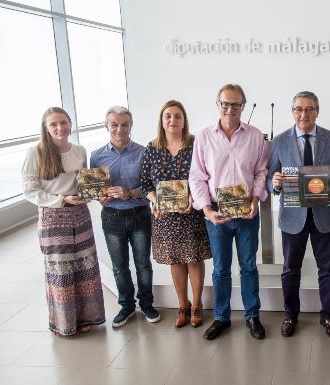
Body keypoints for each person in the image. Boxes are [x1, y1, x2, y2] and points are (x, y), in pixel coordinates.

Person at [189, 84, 269, 340]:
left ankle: (252, 315)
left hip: (247, 213)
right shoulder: (203, 136)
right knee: (221, 269)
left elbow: (261, 172)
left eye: (236, 104)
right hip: (217, 214)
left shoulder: (256, 136)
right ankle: (221, 317)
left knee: (248, 267)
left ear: (243, 106)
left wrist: (256, 199)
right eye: (225, 103)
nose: (230, 109)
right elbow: (197, 177)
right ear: (217, 104)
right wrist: (207, 210)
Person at [21, 107, 106, 336]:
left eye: (63, 122)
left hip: (80, 215)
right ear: (46, 128)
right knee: (60, 271)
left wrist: (94, 193)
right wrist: (61, 200)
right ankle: (63, 323)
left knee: (85, 268)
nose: (60, 128)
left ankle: (85, 317)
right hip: (53, 218)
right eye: (54, 124)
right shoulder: (35, 153)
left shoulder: (79, 150)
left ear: (70, 123)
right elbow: (30, 191)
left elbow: (84, 184)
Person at [267, 91, 330, 339]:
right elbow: (270, 179)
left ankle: (328, 316)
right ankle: (290, 315)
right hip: (293, 218)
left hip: (325, 216)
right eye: (299, 109)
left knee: (328, 269)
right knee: (291, 269)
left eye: (309, 109)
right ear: (293, 112)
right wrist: (275, 183)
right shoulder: (279, 141)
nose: (304, 114)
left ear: (317, 111)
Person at [139, 100, 211, 328]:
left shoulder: (195, 144)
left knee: (194, 259)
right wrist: (156, 201)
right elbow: (144, 185)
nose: (173, 120)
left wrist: (194, 198)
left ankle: (197, 304)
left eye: (177, 116)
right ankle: (183, 305)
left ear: (184, 120)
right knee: (175, 261)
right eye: (168, 116)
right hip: (164, 217)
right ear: (162, 120)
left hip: (191, 213)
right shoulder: (151, 148)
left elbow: (206, 177)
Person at [90, 106, 160, 328]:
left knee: (143, 264)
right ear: (106, 126)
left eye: (124, 124)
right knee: (119, 266)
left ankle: (147, 304)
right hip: (112, 217)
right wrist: (100, 197)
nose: (120, 129)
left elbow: (151, 185)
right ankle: (127, 306)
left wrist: (129, 193)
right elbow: (94, 190)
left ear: (131, 126)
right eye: (114, 124)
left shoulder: (144, 152)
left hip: (140, 214)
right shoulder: (96, 156)